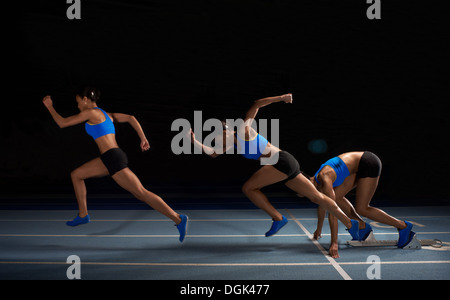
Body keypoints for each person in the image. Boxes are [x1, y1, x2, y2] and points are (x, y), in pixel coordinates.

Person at [189, 94, 366, 240]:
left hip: (280, 161)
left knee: (249, 188)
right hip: (285, 164)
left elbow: (257, 104)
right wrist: (193, 141)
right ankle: (350, 224)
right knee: (316, 197)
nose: (216, 141)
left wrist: (282, 98)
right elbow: (213, 153)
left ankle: (278, 218)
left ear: (224, 132)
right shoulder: (232, 144)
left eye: (217, 137)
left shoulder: (243, 130)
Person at [42, 87, 188, 242]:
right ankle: (83, 215)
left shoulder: (90, 112)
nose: (78, 106)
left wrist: (50, 106)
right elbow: (131, 117)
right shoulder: (106, 114)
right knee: (76, 175)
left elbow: (62, 123)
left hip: (113, 158)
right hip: (108, 158)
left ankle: (178, 218)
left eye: (78, 102)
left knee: (141, 193)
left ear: (85, 100)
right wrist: (143, 138)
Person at [302, 151, 413, 258]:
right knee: (338, 198)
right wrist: (319, 229)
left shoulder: (324, 177)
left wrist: (334, 242)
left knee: (362, 208)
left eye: (304, 193)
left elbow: (332, 211)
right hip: (356, 168)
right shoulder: (317, 181)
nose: (308, 196)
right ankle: (362, 227)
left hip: (368, 162)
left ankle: (403, 226)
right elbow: (323, 206)